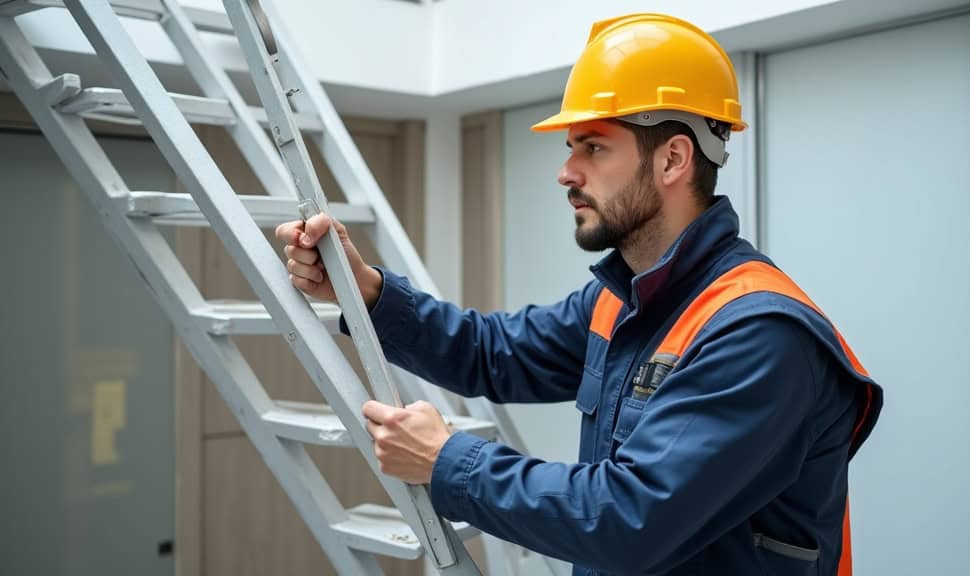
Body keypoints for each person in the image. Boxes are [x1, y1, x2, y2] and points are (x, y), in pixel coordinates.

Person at [275, 13, 883, 576]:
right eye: (571, 149)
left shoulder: (759, 336)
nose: (566, 172)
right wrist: (366, 291)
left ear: (672, 159)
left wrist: (446, 461)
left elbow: (628, 518)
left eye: (593, 146)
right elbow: (492, 352)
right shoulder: (623, 301)